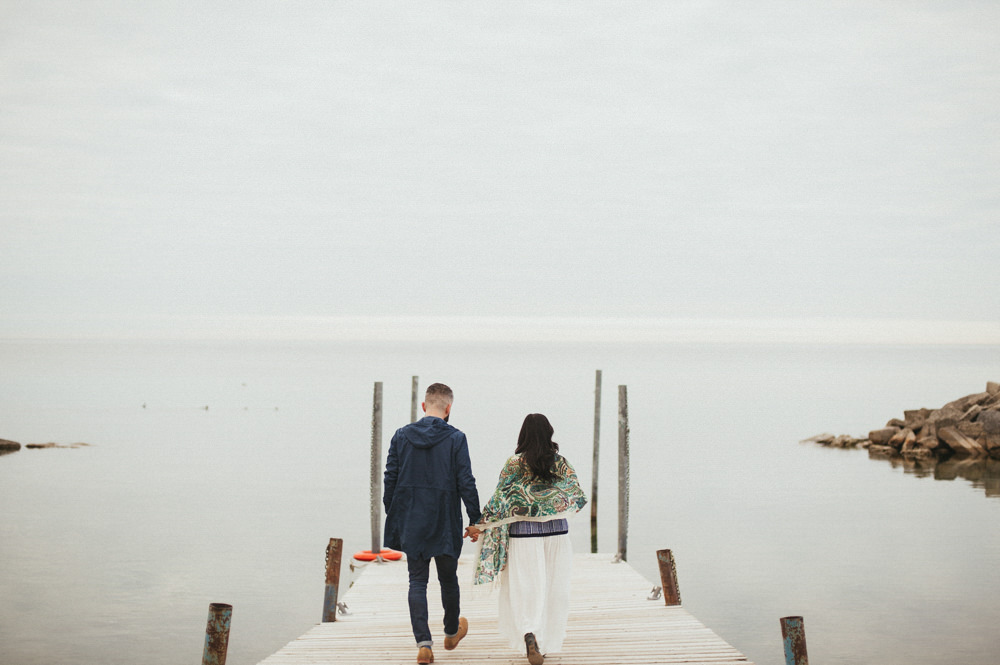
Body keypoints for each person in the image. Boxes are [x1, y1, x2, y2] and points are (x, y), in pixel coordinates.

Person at [467, 413, 587, 665]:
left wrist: (479, 525)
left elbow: (500, 500)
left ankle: (529, 632)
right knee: (555, 588)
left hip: (523, 535)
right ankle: (546, 640)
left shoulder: (514, 463)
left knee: (526, 587)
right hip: (557, 534)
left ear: (523, 435)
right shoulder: (560, 463)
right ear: (549, 433)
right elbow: (576, 495)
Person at [383, 382, 482, 665]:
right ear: (448, 408)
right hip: (445, 518)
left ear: (424, 406)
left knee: (417, 580)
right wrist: (475, 518)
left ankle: (424, 644)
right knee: (448, 578)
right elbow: (466, 481)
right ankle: (451, 631)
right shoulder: (456, 438)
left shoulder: (401, 436)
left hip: (412, 517)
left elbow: (390, 478)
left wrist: (395, 514)